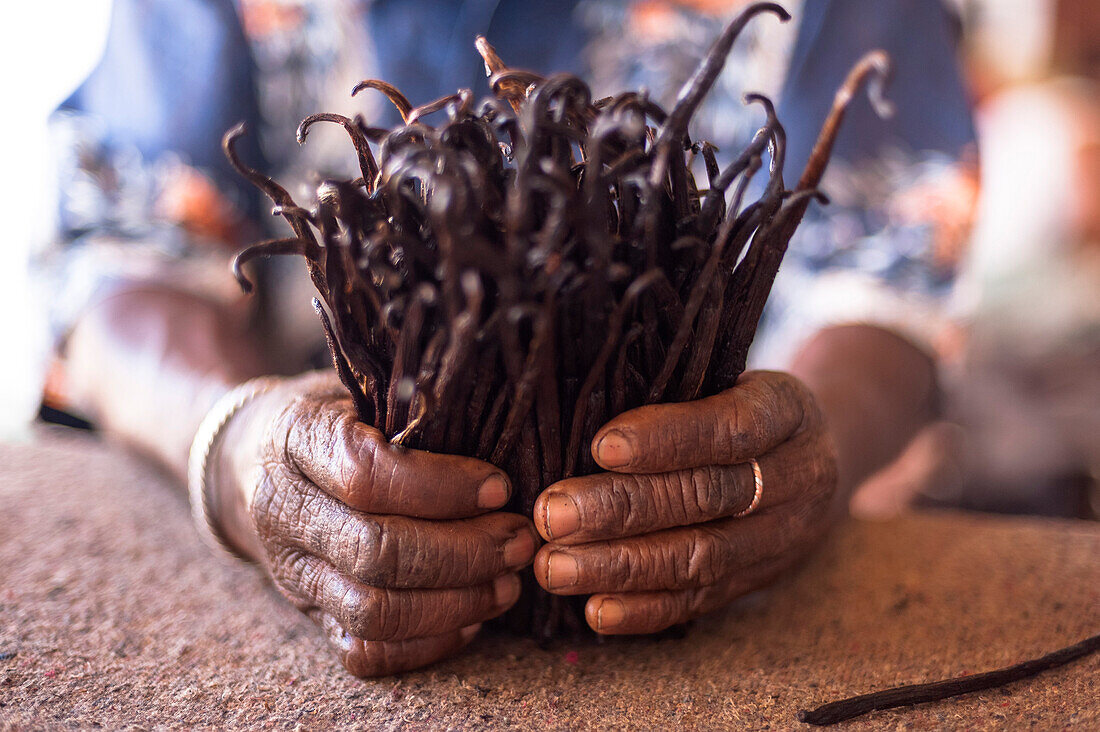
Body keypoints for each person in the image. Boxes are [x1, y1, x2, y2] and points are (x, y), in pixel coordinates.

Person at [42, 0, 972, 675]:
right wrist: (235, 439)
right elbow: (125, 265)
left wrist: (805, 452)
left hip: (698, 606)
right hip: (343, 575)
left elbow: (885, 285)